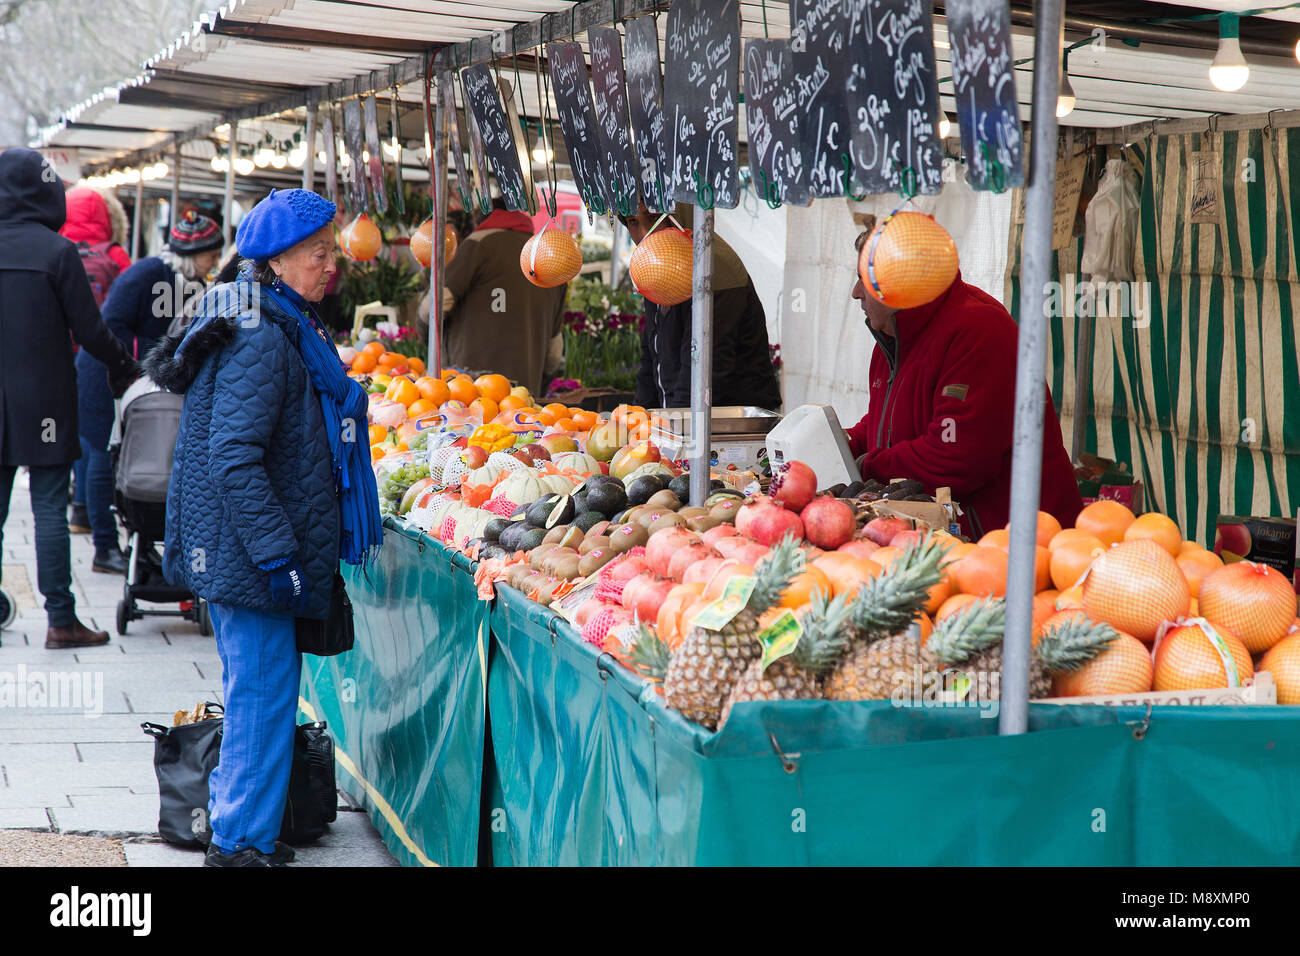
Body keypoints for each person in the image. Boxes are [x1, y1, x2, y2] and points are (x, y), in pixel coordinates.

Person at [144, 188, 381, 867]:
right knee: (260, 697)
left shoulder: (276, 317)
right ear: (275, 261)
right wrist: (281, 557)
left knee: (264, 695)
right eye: (317, 254)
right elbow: (234, 457)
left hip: (246, 549)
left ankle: (245, 828)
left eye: (331, 251)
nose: (330, 265)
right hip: (248, 554)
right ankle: (238, 845)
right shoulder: (260, 336)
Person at [845, 230, 1082, 538]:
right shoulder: (891, 340)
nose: (855, 293)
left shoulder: (977, 332)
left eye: (863, 280)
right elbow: (888, 423)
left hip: (1018, 544)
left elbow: (953, 457)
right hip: (953, 537)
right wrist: (843, 441)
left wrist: (867, 465)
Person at [0, 149, 141, 648]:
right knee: (49, 509)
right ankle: (61, 620)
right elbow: (91, 331)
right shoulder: (57, 252)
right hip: (45, 404)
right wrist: (125, 366)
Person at [74, 211, 223, 574]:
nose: (215, 262)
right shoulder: (147, 274)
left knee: (115, 455)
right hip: (105, 374)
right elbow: (110, 325)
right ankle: (104, 549)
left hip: (134, 377)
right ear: (195, 254)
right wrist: (151, 358)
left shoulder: (187, 280)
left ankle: (130, 546)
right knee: (101, 454)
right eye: (212, 255)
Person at [620, 202, 782, 411]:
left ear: (679, 213)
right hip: (683, 419)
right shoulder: (657, 267)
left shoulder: (712, 268)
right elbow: (651, 359)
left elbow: (705, 370)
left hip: (730, 424)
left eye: (653, 217)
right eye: (633, 222)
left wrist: (675, 426)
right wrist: (638, 418)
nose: (644, 234)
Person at [422, 196, 567, 395]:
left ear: (480, 217)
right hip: (525, 388)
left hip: (472, 388)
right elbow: (554, 352)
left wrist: (423, 333)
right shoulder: (546, 255)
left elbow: (434, 305)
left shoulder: (477, 245)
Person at [59, 187, 131, 535]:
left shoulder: (56, 250)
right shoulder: (115, 254)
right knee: (95, 435)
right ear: (109, 217)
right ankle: (87, 510)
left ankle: (76, 502)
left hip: (58, 358)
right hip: (99, 357)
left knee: (70, 430)